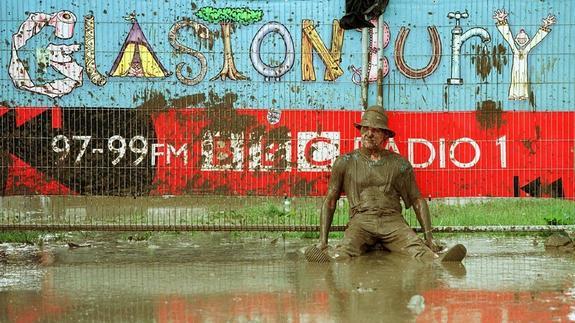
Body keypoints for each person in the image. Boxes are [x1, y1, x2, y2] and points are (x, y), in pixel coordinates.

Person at [305, 105, 465, 262]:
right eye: (365, 128)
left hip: (392, 221)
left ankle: (440, 260)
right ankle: (329, 258)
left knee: (421, 253)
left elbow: (417, 199)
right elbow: (331, 200)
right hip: (361, 221)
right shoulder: (345, 162)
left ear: (385, 135)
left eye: (375, 130)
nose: (369, 134)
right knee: (343, 254)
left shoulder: (399, 163)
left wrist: (429, 237)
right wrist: (323, 240)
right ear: (360, 131)